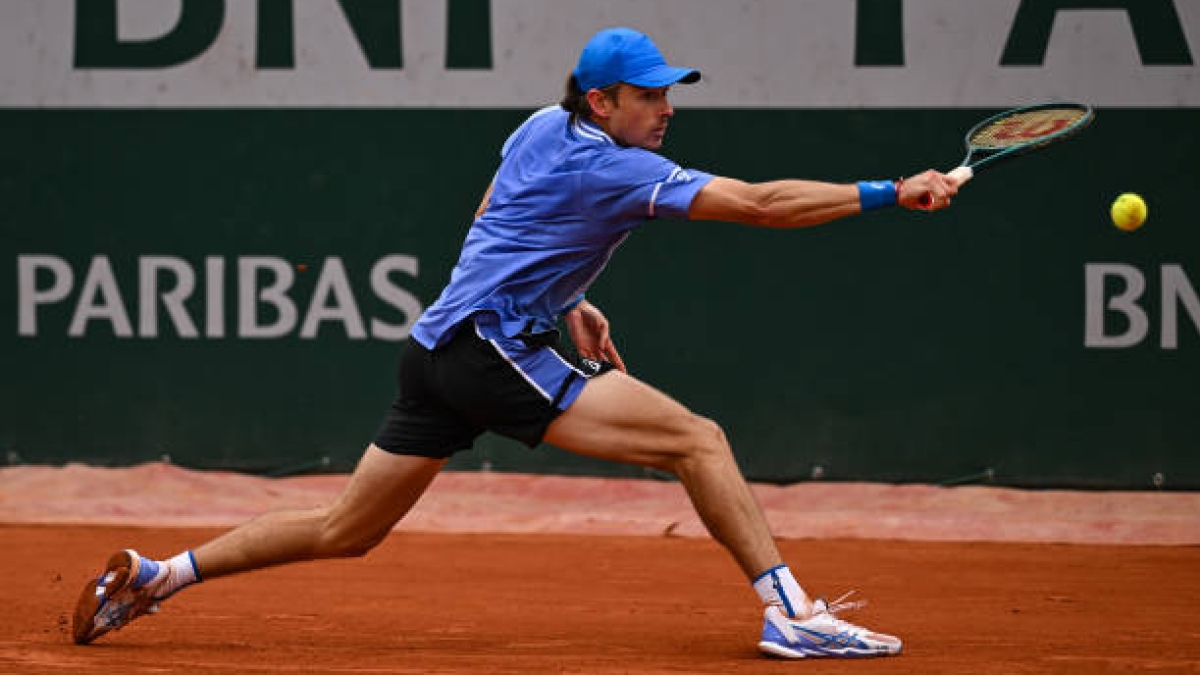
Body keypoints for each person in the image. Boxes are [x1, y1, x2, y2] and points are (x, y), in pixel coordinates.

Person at [72, 27, 958, 659]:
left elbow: (494, 221)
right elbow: (763, 206)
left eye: (668, 93)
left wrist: (568, 296)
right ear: (602, 101)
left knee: (345, 529)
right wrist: (892, 189)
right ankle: (790, 612)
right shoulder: (617, 164)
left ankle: (159, 574)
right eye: (647, 96)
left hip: (435, 350)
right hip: (488, 351)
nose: (664, 110)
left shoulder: (541, 125)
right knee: (698, 439)